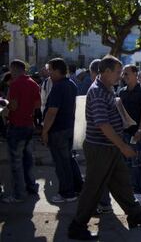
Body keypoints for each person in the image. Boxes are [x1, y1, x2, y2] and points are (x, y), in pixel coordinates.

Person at [68, 56, 141, 241]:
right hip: (100, 148)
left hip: (109, 147)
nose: (120, 76)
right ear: (106, 72)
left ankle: (135, 215)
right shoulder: (98, 91)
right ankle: (77, 226)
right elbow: (103, 124)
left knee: (122, 182)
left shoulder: (106, 87)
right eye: (117, 72)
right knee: (93, 188)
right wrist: (123, 146)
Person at [42, 58, 83, 203]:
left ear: (57, 70)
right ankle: (78, 188)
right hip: (69, 128)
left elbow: (52, 112)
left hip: (58, 130)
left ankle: (67, 193)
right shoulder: (71, 84)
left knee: (62, 163)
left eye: (50, 69)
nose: (49, 72)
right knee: (69, 161)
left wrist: (44, 131)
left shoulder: (58, 86)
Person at [2, 60, 40, 203]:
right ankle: (31, 187)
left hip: (16, 125)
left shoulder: (15, 84)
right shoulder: (33, 83)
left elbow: (13, 105)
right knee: (28, 159)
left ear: (14, 69)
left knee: (16, 162)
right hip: (29, 125)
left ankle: (18, 194)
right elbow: (37, 104)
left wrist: (6, 109)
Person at [119, 64, 141, 204]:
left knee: (138, 164)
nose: (124, 76)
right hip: (124, 134)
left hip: (137, 134)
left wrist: (140, 130)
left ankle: (138, 193)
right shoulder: (122, 92)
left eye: (127, 73)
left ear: (135, 74)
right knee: (126, 164)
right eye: (123, 74)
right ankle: (129, 192)